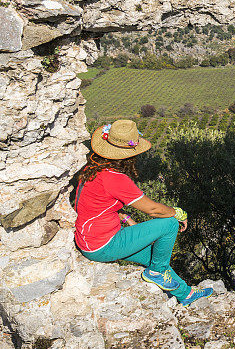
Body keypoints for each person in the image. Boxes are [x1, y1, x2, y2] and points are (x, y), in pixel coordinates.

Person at [73, 119, 212, 306]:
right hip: (105, 243)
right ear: (128, 155)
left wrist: (125, 217)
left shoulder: (91, 169)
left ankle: (186, 295)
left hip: (91, 241)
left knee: (156, 257)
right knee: (169, 224)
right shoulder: (115, 179)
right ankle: (156, 273)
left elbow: (94, 204)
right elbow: (153, 209)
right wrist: (178, 212)